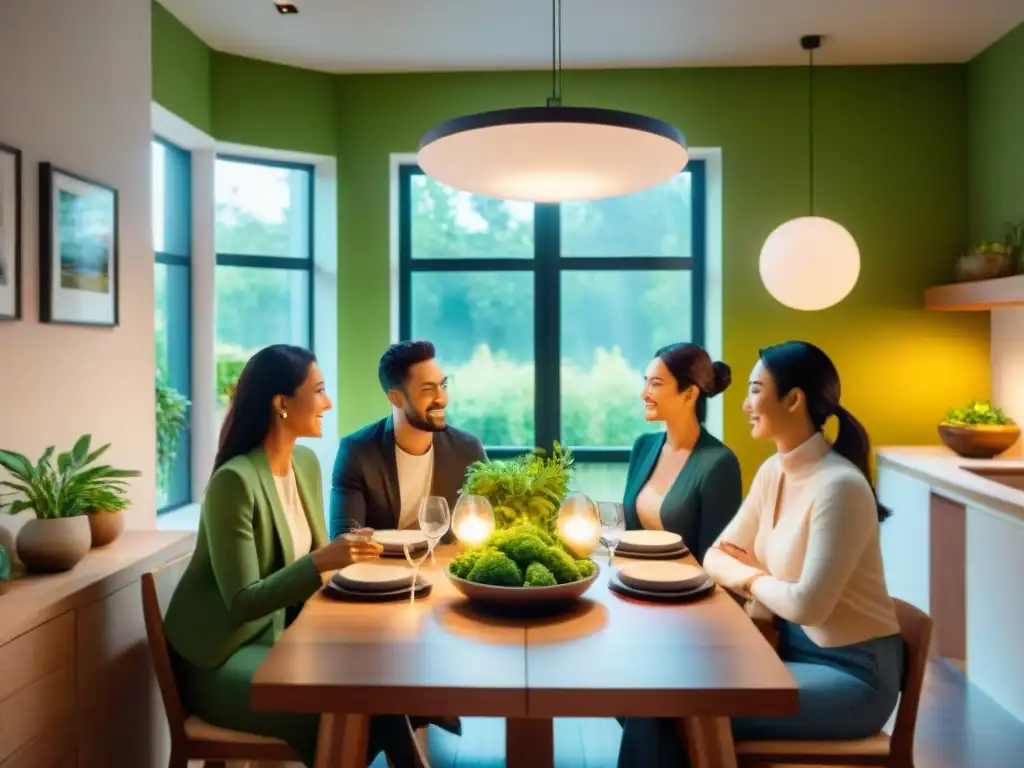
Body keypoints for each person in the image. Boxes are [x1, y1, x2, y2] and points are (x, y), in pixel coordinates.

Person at [618, 341, 904, 767]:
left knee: (666, 705)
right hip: (783, 651)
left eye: (755, 390)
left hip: (852, 676)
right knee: (650, 694)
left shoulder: (839, 486)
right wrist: (769, 583)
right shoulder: (774, 471)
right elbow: (715, 556)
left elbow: (809, 605)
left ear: (793, 399)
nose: (745, 405)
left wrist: (751, 578)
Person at [164, 344, 418, 767]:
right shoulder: (235, 482)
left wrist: (348, 556)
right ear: (281, 403)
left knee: (381, 683)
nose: (328, 402)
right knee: (350, 704)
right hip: (222, 657)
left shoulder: (304, 463)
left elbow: (314, 556)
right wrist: (324, 561)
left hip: (280, 637)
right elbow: (245, 601)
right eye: (318, 391)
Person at [329, 340, 487, 539]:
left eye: (443, 385)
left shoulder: (467, 449)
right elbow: (345, 538)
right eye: (428, 390)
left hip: (446, 566)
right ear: (396, 398)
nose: (442, 398)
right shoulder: (357, 451)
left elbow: (491, 520)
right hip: (380, 568)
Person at [622, 343, 742, 563]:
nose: (644, 394)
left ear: (690, 393)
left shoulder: (719, 463)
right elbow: (628, 532)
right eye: (645, 382)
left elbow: (717, 560)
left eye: (655, 384)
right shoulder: (643, 447)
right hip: (634, 583)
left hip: (689, 593)